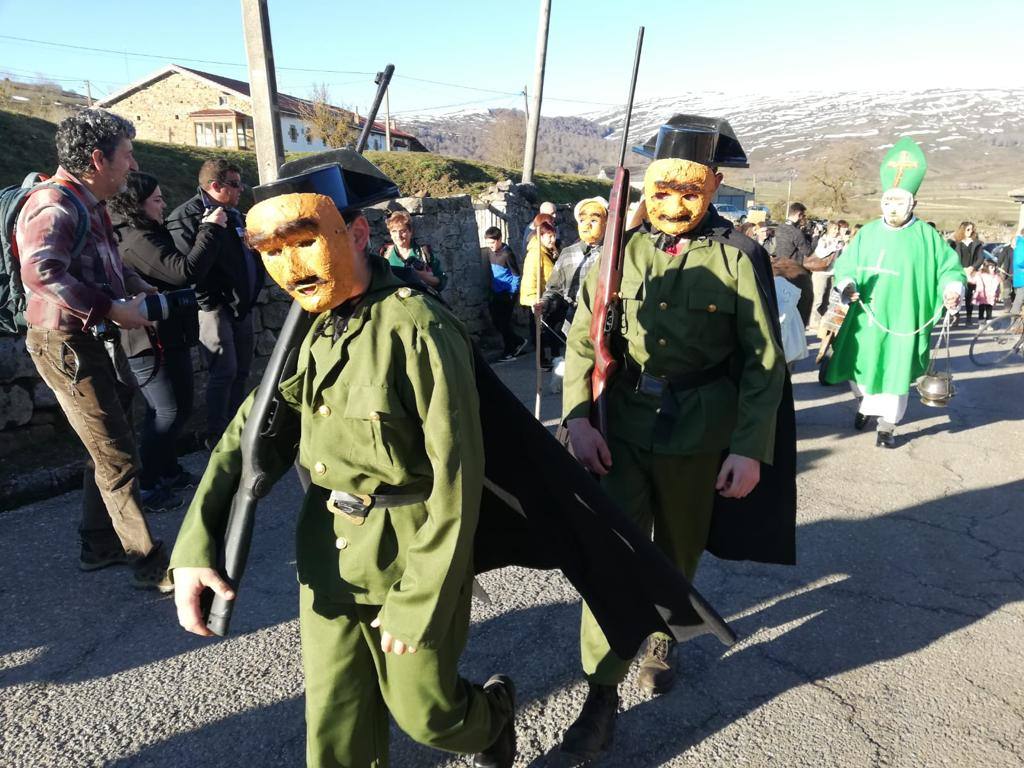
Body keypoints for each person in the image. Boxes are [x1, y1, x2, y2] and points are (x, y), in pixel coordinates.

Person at [170, 155, 516, 768]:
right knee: (334, 725)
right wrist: (197, 546)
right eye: (270, 252)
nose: (289, 269)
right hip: (327, 551)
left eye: (304, 243)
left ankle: (490, 721)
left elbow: (456, 481)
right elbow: (249, 439)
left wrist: (419, 600)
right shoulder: (308, 329)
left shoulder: (418, 329)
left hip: (412, 553)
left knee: (428, 715)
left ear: (357, 235)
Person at [560, 115, 793, 762]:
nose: (673, 205)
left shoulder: (739, 256)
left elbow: (762, 361)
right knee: (608, 555)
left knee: (677, 550)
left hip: (699, 430)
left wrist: (749, 447)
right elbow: (585, 337)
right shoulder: (619, 251)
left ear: (714, 187)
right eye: (661, 192)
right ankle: (599, 696)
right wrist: (577, 417)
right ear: (646, 190)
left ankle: (662, 636)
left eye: (688, 191)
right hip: (621, 426)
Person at [16, 109, 171, 590]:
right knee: (117, 453)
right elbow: (40, 273)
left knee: (105, 443)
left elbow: (108, 263)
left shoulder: (91, 203)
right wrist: (110, 308)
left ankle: (98, 545)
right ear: (97, 159)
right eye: (126, 155)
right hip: (63, 343)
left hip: (82, 338)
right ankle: (146, 561)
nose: (133, 163)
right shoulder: (56, 205)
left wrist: (136, 286)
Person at [825, 137, 965, 448]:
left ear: (913, 203)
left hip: (904, 318)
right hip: (867, 318)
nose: (892, 208)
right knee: (859, 369)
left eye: (898, 202)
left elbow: (949, 270)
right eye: (887, 201)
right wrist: (848, 284)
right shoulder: (869, 233)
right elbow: (847, 264)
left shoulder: (927, 237)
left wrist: (952, 290)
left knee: (895, 374)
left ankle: (886, 427)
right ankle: (864, 405)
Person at [109, 171, 228, 509]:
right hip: (146, 339)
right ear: (137, 204)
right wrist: (211, 229)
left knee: (179, 406)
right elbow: (183, 271)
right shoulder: (136, 239)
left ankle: (167, 470)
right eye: (157, 200)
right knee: (166, 409)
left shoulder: (148, 232)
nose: (164, 205)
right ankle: (147, 485)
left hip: (169, 334)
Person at [166, 158, 264, 450]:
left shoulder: (234, 214)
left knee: (242, 370)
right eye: (234, 184)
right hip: (214, 308)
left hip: (241, 306)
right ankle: (217, 433)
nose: (240, 190)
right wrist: (208, 301)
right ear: (215, 186)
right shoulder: (187, 216)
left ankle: (237, 426)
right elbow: (187, 267)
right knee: (224, 371)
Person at [536, 196, 607, 337]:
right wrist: (544, 303)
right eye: (582, 220)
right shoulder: (568, 254)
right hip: (575, 325)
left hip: (606, 326)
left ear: (605, 222)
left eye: (593, 220)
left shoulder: (614, 253)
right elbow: (555, 289)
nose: (587, 225)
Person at [520, 214, 558, 368]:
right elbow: (530, 278)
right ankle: (542, 361)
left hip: (549, 298)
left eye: (554, 236)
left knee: (550, 331)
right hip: (539, 299)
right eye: (549, 236)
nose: (552, 240)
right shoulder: (535, 254)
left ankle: (553, 359)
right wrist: (533, 301)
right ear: (540, 236)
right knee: (540, 332)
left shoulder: (546, 251)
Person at [483, 226, 527, 361]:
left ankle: (509, 350)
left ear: (499, 240)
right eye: (488, 243)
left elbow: (516, 274)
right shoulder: (491, 253)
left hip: (507, 293)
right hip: (496, 292)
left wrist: (513, 292)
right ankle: (518, 341)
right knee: (497, 321)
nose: (490, 246)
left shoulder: (507, 254)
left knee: (504, 322)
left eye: (492, 243)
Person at [382, 210, 446, 290]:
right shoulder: (385, 254)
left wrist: (424, 277)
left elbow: (442, 282)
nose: (398, 236)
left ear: (410, 232)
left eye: (403, 231)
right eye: (394, 231)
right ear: (390, 234)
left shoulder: (424, 253)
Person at [773, 202, 814, 325]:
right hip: (794, 270)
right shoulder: (796, 232)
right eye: (803, 216)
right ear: (798, 214)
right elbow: (808, 251)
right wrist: (814, 238)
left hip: (779, 267)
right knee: (798, 305)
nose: (804, 219)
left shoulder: (780, 228)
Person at [948, 221, 985, 324]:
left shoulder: (977, 243)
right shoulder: (955, 244)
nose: (970, 231)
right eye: (968, 229)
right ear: (962, 230)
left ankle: (969, 317)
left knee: (969, 296)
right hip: (959, 272)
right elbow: (952, 258)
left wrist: (973, 267)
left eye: (972, 229)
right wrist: (961, 268)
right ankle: (955, 315)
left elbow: (981, 258)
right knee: (956, 294)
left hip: (972, 273)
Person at [970, 256, 1001, 322]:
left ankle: (988, 324)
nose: (994, 268)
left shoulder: (996, 276)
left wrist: (998, 295)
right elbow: (973, 281)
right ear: (986, 267)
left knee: (989, 311)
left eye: (994, 267)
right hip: (982, 296)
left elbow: (997, 287)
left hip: (991, 296)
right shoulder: (981, 275)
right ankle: (981, 323)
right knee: (981, 310)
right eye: (992, 267)